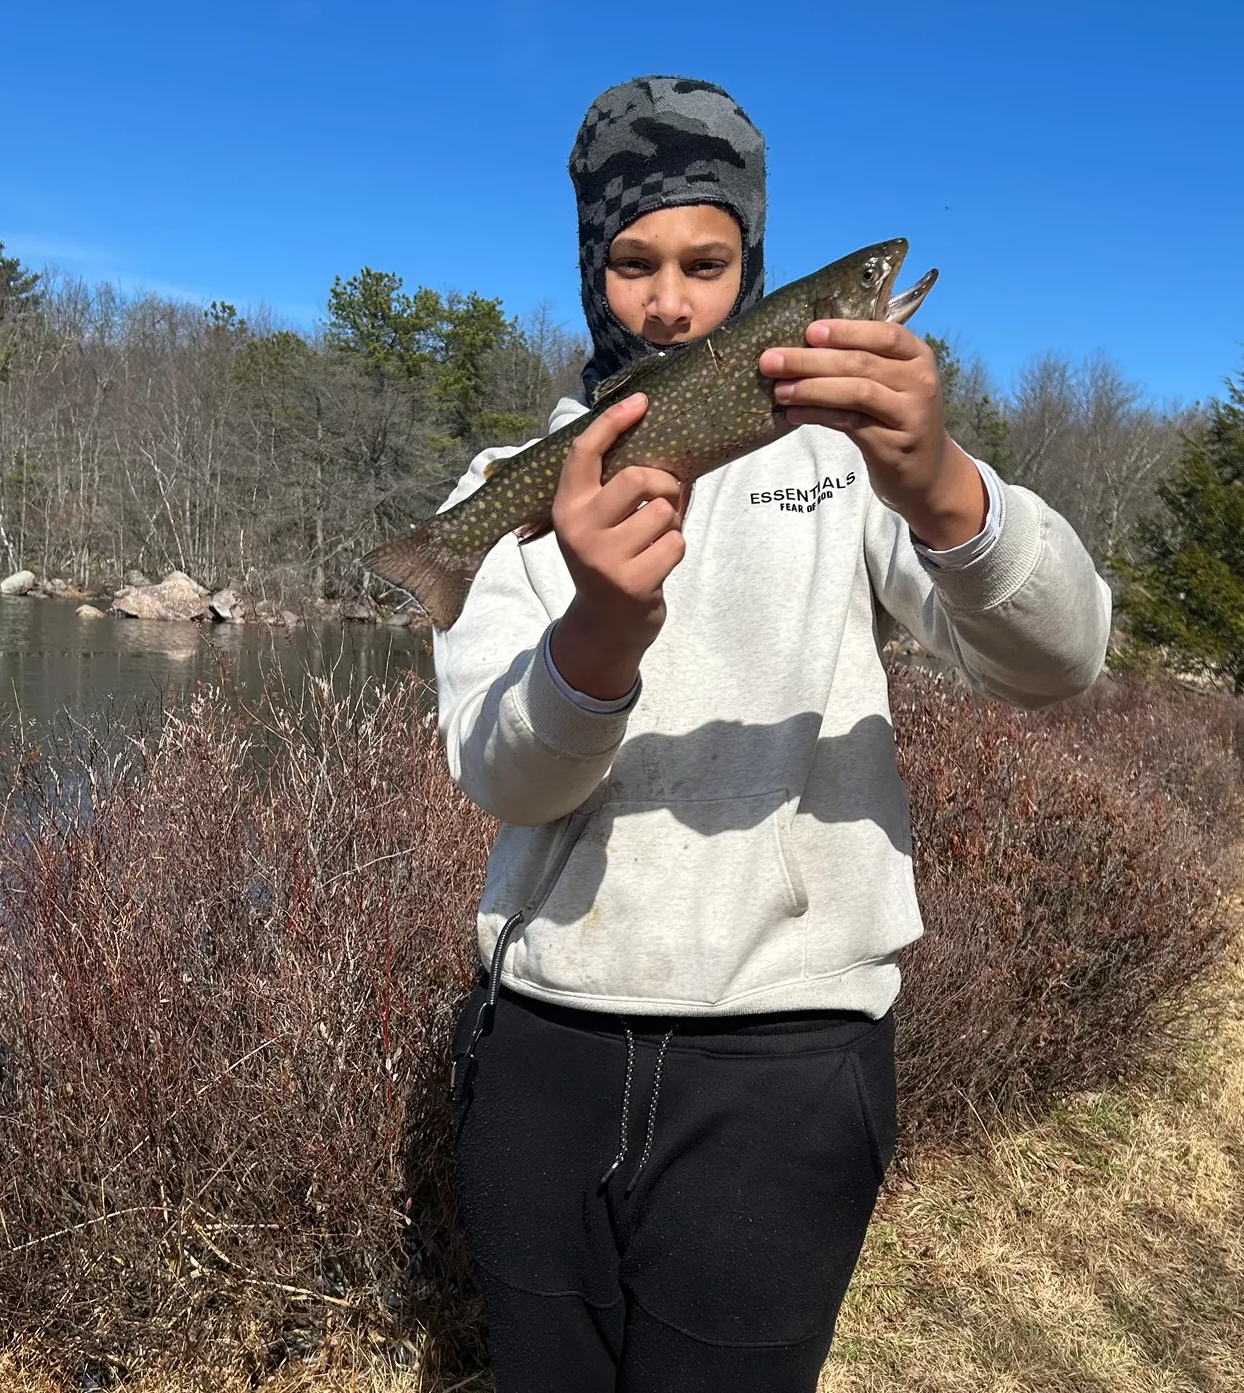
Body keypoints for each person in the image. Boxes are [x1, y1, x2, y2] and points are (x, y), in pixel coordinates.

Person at [435, 76, 1111, 1392]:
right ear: (592, 267)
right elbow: (502, 775)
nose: (671, 302)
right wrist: (598, 636)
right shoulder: (509, 497)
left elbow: (1059, 659)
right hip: (541, 1048)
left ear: (758, 269)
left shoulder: (856, 462)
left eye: (709, 262)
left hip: (789, 1066)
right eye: (633, 264)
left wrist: (949, 493)